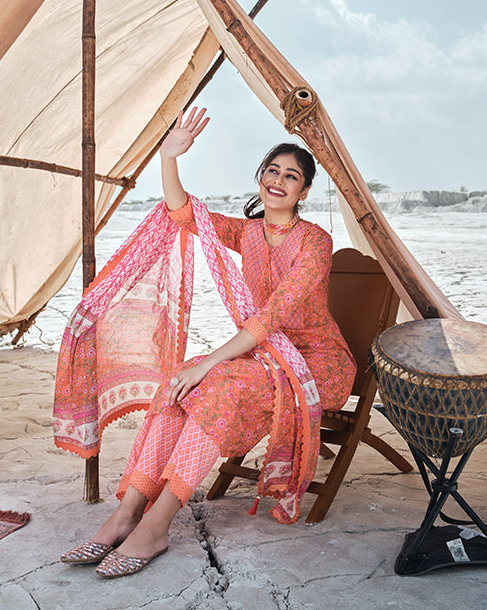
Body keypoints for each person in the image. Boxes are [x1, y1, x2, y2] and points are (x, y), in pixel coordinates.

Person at [60, 107, 356, 578]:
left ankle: (157, 525)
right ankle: (126, 513)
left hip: (316, 362)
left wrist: (207, 365)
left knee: (214, 385)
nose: (278, 180)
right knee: (179, 385)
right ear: (261, 177)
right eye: (272, 170)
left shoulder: (315, 242)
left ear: (303, 190)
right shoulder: (247, 231)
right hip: (262, 353)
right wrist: (168, 156)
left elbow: (271, 316)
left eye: (291, 175)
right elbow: (182, 213)